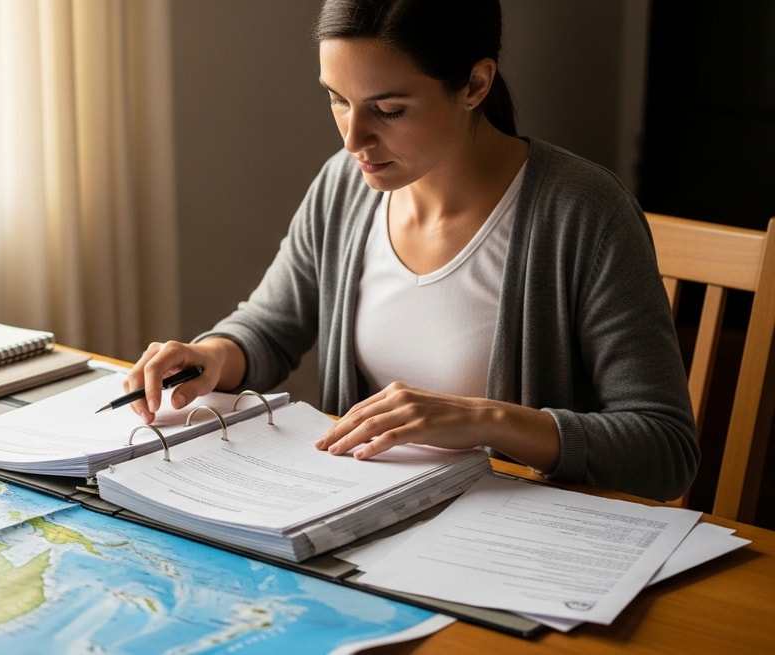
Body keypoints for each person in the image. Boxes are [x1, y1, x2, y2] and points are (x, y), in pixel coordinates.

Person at [124, 0, 698, 501]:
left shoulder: (584, 212)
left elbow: (664, 450)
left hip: (516, 547)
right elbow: (272, 326)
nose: (353, 139)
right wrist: (216, 356)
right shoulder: (344, 186)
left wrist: (488, 419)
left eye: (389, 110)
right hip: (365, 526)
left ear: (475, 85)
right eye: (338, 100)